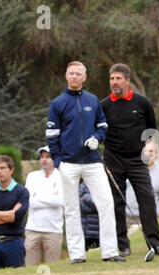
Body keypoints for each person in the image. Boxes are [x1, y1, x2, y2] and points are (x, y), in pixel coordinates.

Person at [46, 61, 125, 263]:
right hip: (69, 163)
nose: (74, 76)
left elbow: (103, 125)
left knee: (106, 203)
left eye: (78, 73)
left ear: (84, 77)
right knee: (71, 208)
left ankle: (109, 251)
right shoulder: (58, 103)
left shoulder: (92, 100)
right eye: (71, 73)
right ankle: (77, 254)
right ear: (66, 76)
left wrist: (96, 139)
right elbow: (52, 135)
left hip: (92, 161)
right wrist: (57, 161)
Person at [100, 63, 159, 257]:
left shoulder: (142, 103)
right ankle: (123, 245)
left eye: (118, 78)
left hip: (137, 159)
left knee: (147, 199)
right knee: (117, 202)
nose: (114, 82)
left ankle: (155, 244)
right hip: (113, 159)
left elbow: (151, 130)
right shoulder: (103, 105)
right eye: (112, 79)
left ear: (127, 81)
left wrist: (149, 145)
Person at [24, 146, 65, 266]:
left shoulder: (61, 176)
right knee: (29, 268)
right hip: (32, 229)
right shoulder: (32, 176)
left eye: (48, 157)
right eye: (42, 157)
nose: (44, 160)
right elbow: (29, 201)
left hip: (53, 230)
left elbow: (60, 201)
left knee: (52, 268)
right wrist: (50, 198)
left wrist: (38, 198)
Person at [125, 140, 159, 218]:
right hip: (126, 215)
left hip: (148, 217)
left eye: (151, 151)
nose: (147, 154)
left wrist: (153, 213)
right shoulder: (130, 168)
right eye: (144, 151)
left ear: (155, 154)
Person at [79, 181, 100, 251]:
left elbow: (104, 204)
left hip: (99, 231)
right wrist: (95, 206)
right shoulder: (83, 186)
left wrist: (85, 197)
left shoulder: (102, 184)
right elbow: (79, 204)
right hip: (86, 231)